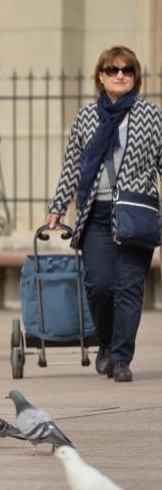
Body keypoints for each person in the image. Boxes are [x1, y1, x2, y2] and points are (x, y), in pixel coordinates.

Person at [47, 46, 162, 383]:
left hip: (135, 211)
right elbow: (72, 165)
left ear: (135, 76)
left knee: (129, 286)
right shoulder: (86, 117)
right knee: (99, 285)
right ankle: (107, 344)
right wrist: (57, 206)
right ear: (101, 76)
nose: (120, 74)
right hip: (95, 214)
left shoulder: (151, 116)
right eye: (112, 69)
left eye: (126, 69)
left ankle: (122, 358)